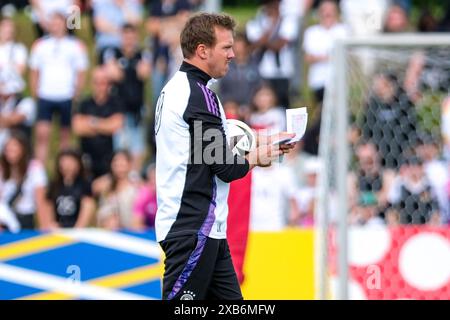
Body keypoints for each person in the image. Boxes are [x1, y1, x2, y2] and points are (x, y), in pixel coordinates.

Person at [154, 12, 295, 300]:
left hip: (208, 231)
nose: (233, 54)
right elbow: (225, 167)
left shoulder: (179, 89)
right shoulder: (197, 95)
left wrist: (263, 144)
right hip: (193, 230)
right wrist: (260, 155)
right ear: (202, 51)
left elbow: (208, 150)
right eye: (226, 47)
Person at [29, 11, 88, 164]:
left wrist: (77, 92)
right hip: (45, 94)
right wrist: (36, 91)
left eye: (59, 23)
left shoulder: (75, 45)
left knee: (65, 136)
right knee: (42, 135)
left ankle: (63, 168)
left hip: (65, 95)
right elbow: (34, 71)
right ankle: (39, 169)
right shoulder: (41, 45)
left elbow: (81, 71)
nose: (56, 26)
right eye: (53, 23)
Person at [72, 67, 125, 179]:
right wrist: (105, 124)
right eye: (97, 82)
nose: (100, 86)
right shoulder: (84, 104)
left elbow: (116, 126)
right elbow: (78, 128)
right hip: (87, 159)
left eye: (103, 82)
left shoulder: (115, 103)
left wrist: (91, 123)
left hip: (108, 160)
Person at [0, 132, 49, 231]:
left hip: (26, 218)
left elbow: (40, 201)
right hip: (5, 220)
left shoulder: (35, 168)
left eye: (14, 147)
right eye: (8, 148)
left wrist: (45, 226)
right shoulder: (2, 169)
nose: (10, 151)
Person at [46, 149, 95, 228]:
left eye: (71, 162)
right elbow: (48, 208)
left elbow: (88, 206)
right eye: (64, 162)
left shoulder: (84, 184)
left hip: (77, 229)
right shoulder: (54, 185)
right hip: (57, 230)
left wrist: (78, 228)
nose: (67, 166)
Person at [96, 150, 139, 230]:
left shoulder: (136, 188)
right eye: (116, 162)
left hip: (131, 231)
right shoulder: (107, 188)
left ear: (129, 165)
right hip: (110, 230)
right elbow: (102, 213)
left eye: (122, 162)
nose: (119, 166)